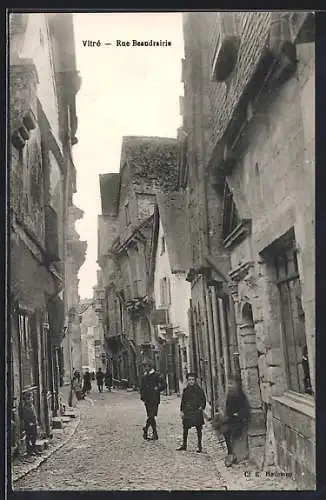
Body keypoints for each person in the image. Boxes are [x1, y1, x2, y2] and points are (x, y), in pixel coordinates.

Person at [212, 375, 250, 467]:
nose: (230, 386)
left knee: (230, 431)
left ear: (236, 385)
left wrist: (237, 414)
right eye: (228, 384)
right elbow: (228, 410)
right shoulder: (230, 396)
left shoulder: (241, 396)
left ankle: (233, 455)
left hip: (240, 420)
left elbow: (245, 410)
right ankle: (230, 453)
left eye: (232, 384)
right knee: (222, 428)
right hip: (231, 419)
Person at [176, 372, 206, 453]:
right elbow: (183, 401)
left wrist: (201, 407)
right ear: (187, 381)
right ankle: (184, 444)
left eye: (192, 380)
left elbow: (203, 400)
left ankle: (199, 446)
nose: (191, 381)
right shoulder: (186, 390)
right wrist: (182, 411)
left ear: (195, 380)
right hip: (188, 411)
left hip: (196, 411)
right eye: (189, 380)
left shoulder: (199, 390)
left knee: (199, 429)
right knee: (185, 428)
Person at [140, 360, 166, 441]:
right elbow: (142, 388)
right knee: (151, 416)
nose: (145, 368)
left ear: (150, 367)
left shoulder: (156, 375)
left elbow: (164, 384)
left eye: (146, 366)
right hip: (147, 400)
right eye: (144, 367)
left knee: (151, 415)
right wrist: (142, 397)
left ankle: (147, 429)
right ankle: (154, 433)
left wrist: (157, 388)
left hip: (154, 398)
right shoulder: (144, 377)